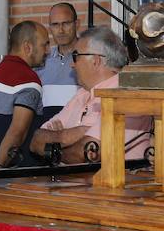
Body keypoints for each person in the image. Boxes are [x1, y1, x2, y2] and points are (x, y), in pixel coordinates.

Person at [30, 27, 152, 162]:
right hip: (74, 181)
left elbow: (88, 153)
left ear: (95, 60)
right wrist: (72, 134)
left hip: (118, 181)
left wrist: (55, 142)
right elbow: (36, 140)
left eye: (75, 56)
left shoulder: (128, 95)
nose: (72, 64)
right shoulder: (82, 94)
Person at [0, 21, 47, 167]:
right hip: (19, 173)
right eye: (44, 45)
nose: (47, 51)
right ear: (28, 47)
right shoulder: (28, 79)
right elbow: (18, 131)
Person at [37, 2, 81, 122]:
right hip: (47, 134)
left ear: (77, 24)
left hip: (80, 134)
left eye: (66, 23)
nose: (61, 30)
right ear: (50, 28)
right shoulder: (42, 60)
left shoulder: (88, 57)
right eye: (55, 25)